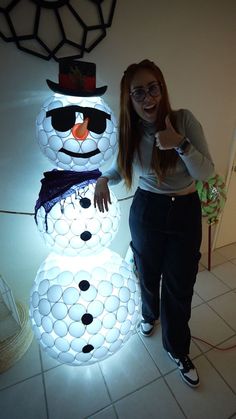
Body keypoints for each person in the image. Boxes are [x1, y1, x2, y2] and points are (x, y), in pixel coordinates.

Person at [94, 59, 214, 387]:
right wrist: (104, 178)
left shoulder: (183, 120)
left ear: (162, 89)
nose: (148, 98)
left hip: (185, 210)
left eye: (153, 88)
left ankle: (177, 348)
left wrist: (181, 144)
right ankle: (149, 314)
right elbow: (121, 168)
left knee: (179, 283)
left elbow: (205, 172)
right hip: (147, 211)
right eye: (138, 93)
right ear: (128, 99)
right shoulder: (129, 132)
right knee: (147, 274)